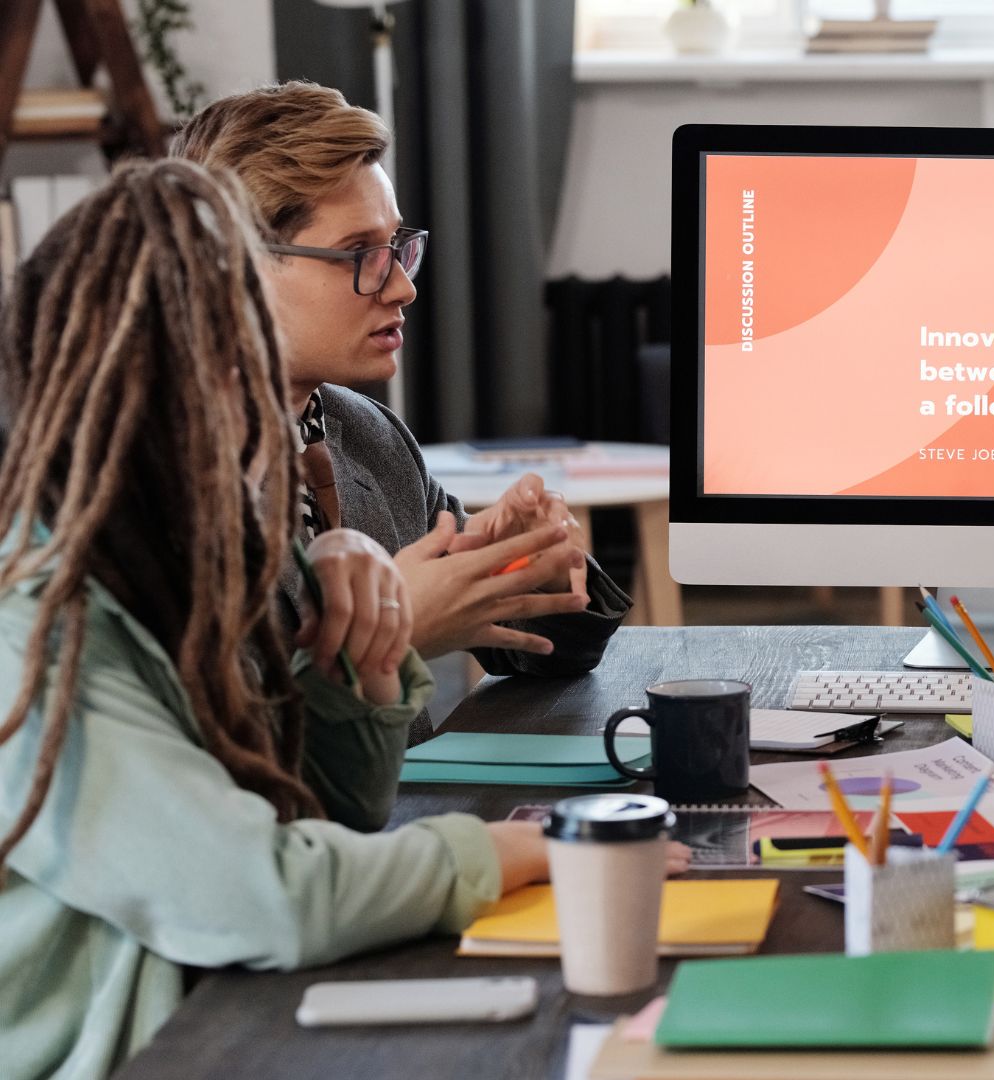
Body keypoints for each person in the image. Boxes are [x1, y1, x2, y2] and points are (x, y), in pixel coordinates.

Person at [0, 162, 556, 1080]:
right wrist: (520, 848)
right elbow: (264, 893)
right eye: (230, 372)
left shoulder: (192, 545)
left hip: (231, 1013)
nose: (265, 410)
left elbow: (336, 813)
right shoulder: (37, 622)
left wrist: (360, 649)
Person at [171, 82, 632, 740]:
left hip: (401, 825)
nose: (402, 285)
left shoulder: (367, 435)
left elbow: (544, 656)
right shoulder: (152, 480)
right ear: (233, 265)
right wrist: (392, 633)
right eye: (360, 254)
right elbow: (200, 759)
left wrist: (523, 567)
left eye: (399, 247)